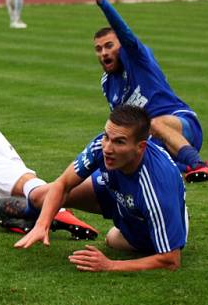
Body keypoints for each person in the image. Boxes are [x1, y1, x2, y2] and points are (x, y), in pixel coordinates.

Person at [14, 106, 187, 272]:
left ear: (140, 147)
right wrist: (42, 224)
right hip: (117, 193)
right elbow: (63, 184)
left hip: (142, 220)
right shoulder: (102, 146)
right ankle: (28, 216)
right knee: (40, 196)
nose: (107, 148)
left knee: (114, 239)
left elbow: (171, 260)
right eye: (106, 136)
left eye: (119, 142)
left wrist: (110, 265)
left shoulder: (156, 187)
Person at [83, 0, 208, 181]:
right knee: (122, 158)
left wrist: (101, 1)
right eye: (99, 49)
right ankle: (181, 166)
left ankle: (198, 164)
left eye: (109, 46)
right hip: (151, 137)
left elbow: (124, 32)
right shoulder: (107, 83)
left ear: (121, 45)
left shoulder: (137, 58)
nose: (104, 52)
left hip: (181, 124)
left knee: (153, 124)